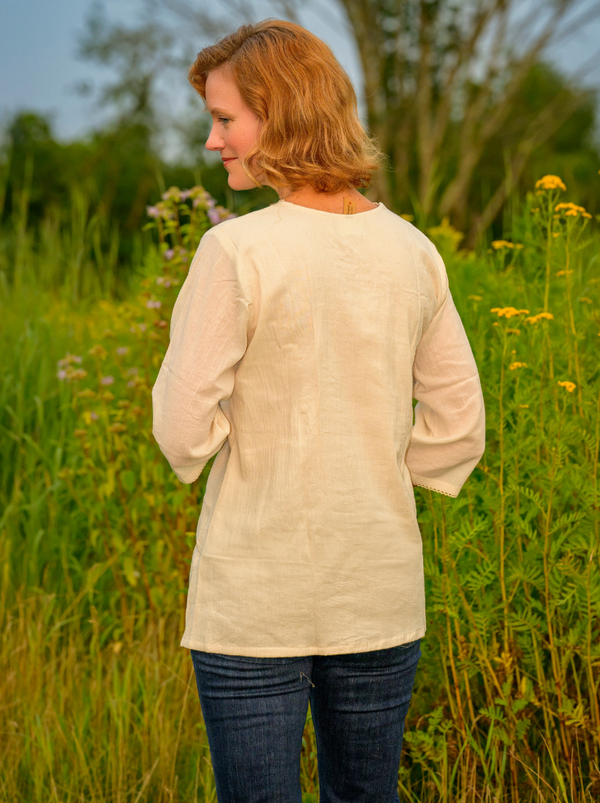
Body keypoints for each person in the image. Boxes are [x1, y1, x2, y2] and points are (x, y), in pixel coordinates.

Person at [151, 18, 486, 803]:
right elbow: (458, 424)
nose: (212, 140)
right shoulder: (413, 250)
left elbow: (179, 426)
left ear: (282, 112)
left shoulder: (235, 251)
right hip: (377, 588)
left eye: (225, 118)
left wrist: (242, 444)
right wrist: (374, 471)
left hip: (253, 597)